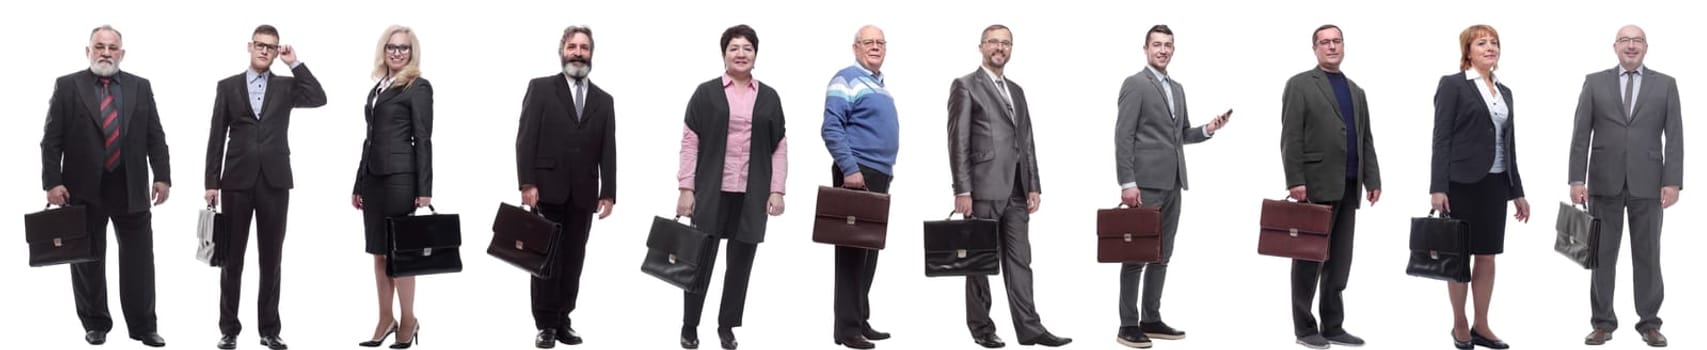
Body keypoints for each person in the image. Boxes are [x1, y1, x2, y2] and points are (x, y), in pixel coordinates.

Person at [40, 24, 172, 349]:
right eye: (99, 47)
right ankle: (95, 323)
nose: (106, 53)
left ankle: (144, 326)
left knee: (139, 262)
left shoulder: (141, 87)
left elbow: (156, 136)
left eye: (112, 48)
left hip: (131, 188)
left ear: (122, 53)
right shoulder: (68, 86)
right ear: (88, 51)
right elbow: (51, 140)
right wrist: (52, 182)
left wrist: (163, 176)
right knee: (88, 262)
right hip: (83, 190)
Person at [946, 24, 1071, 349]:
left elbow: (1026, 140)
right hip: (982, 189)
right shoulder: (965, 86)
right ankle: (982, 328)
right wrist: (963, 189)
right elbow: (957, 141)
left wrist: (1034, 185)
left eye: (1005, 43)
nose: (999, 48)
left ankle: (1030, 329)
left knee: (1021, 261)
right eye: (993, 42)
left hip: (1017, 189)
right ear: (981, 47)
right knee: (979, 264)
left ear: (1011, 49)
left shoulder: (1016, 90)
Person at [204, 24, 327, 350]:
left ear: (276, 51)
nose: (264, 50)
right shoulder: (228, 87)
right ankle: (229, 329)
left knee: (271, 259)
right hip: (236, 182)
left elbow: (318, 98)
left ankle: (269, 330)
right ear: (249, 46)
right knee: (232, 258)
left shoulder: (287, 87)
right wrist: (210, 182)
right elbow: (216, 136)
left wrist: (295, 63)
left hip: (274, 181)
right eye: (260, 45)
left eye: (271, 47)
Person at [1109, 24, 1230, 349]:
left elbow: (1181, 135)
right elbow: (1123, 136)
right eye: (1157, 45)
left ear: (1173, 50)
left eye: (1168, 45)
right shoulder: (1135, 84)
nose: (1163, 50)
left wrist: (1207, 129)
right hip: (1144, 184)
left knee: (1163, 254)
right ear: (1146, 48)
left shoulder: (1177, 88)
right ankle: (1127, 324)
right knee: (1136, 255)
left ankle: (1151, 317)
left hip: (1174, 181)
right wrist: (1127, 182)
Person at [675, 24, 788, 350]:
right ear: (724, 54)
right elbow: (689, 142)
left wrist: (777, 189)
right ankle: (690, 325)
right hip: (711, 191)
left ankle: (726, 326)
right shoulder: (706, 93)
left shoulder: (769, 97)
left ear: (755, 54)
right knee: (699, 261)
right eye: (734, 48)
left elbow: (778, 146)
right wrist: (686, 188)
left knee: (740, 266)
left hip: (751, 195)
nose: (741, 53)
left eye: (747, 48)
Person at [1569, 24, 1681, 348]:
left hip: (1649, 184)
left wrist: (1672, 181)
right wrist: (1577, 179)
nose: (1631, 46)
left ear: (1646, 47)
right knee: (1601, 256)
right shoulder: (1594, 82)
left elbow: (1674, 137)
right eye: (1625, 41)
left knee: (1648, 255)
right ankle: (1602, 323)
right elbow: (1580, 135)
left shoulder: (1666, 85)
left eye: (1637, 41)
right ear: (1614, 46)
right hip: (1603, 183)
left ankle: (1649, 323)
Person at [515, 25, 618, 349]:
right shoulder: (541, 89)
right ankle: (545, 324)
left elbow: (608, 148)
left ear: (591, 54)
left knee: (574, 259)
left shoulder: (604, 100)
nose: (578, 52)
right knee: (546, 259)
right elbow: (525, 139)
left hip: (584, 192)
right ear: (562, 50)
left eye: (584, 48)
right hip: (546, 189)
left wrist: (609, 191)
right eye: (572, 46)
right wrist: (527, 183)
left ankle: (563, 320)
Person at [1278, 24, 1381, 350]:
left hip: (1348, 186)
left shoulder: (1356, 90)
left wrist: (1372, 179)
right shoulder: (1300, 85)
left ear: (1344, 46)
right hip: (1316, 185)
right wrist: (1295, 179)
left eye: (1337, 41)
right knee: (1309, 259)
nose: (1332, 47)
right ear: (1315, 49)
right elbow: (1291, 135)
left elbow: (1365, 138)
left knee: (1339, 261)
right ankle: (1305, 328)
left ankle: (1333, 326)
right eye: (1325, 42)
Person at [1429, 24, 1529, 350]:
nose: (1490, 47)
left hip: (1496, 183)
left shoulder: (1505, 91)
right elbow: (1441, 139)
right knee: (1458, 257)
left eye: (1494, 42)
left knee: (1487, 256)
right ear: (1467, 51)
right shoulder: (1453, 85)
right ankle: (1459, 322)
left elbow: (1509, 144)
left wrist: (1517, 192)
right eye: (1481, 42)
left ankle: (1481, 324)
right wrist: (1438, 186)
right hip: (1460, 183)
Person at [352, 25, 434, 349]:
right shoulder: (378, 88)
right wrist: (359, 182)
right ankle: (386, 318)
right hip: (373, 179)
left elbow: (424, 139)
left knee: (401, 255)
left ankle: (409, 320)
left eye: (403, 48)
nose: (397, 52)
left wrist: (424, 187)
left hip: (401, 179)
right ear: (383, 50)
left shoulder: (418, 87)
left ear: (411, 53)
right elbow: (369, 139)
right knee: (378, 253)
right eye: (392, 47)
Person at [822, 24, 899, 350]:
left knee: (869, 250)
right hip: (857, 175)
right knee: (852, 253)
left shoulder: (879, 84)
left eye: (880, 42)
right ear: (855, 48)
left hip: (878, 174)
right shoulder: (846, 79)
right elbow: (831, 127)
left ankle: (860, 318)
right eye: (868, 42)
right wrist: (851, 170)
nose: (875, 47)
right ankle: (847, 329)